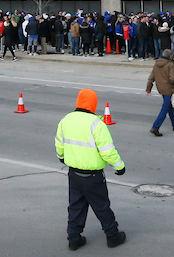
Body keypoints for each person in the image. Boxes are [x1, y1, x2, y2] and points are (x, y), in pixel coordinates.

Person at [54, 88, 127, 250]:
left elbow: (59, 143)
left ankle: (73, 239)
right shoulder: (96, 124)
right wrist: (119, 166)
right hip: (92, 176)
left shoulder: (66, 119)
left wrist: (62, 157)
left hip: (74, 173)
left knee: (75, 206)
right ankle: (113, 236)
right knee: (101, 206)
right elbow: (108, 151)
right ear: (93, 104)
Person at [146, 49, 174, 136]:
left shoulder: (156, 64)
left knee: (168, 107)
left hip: (160, 88)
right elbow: (173, 78)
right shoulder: (170, 65)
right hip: (168, 89)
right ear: (170, 56)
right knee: (164, 109)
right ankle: (155, 127)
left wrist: (148, 89)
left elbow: (151, 77)